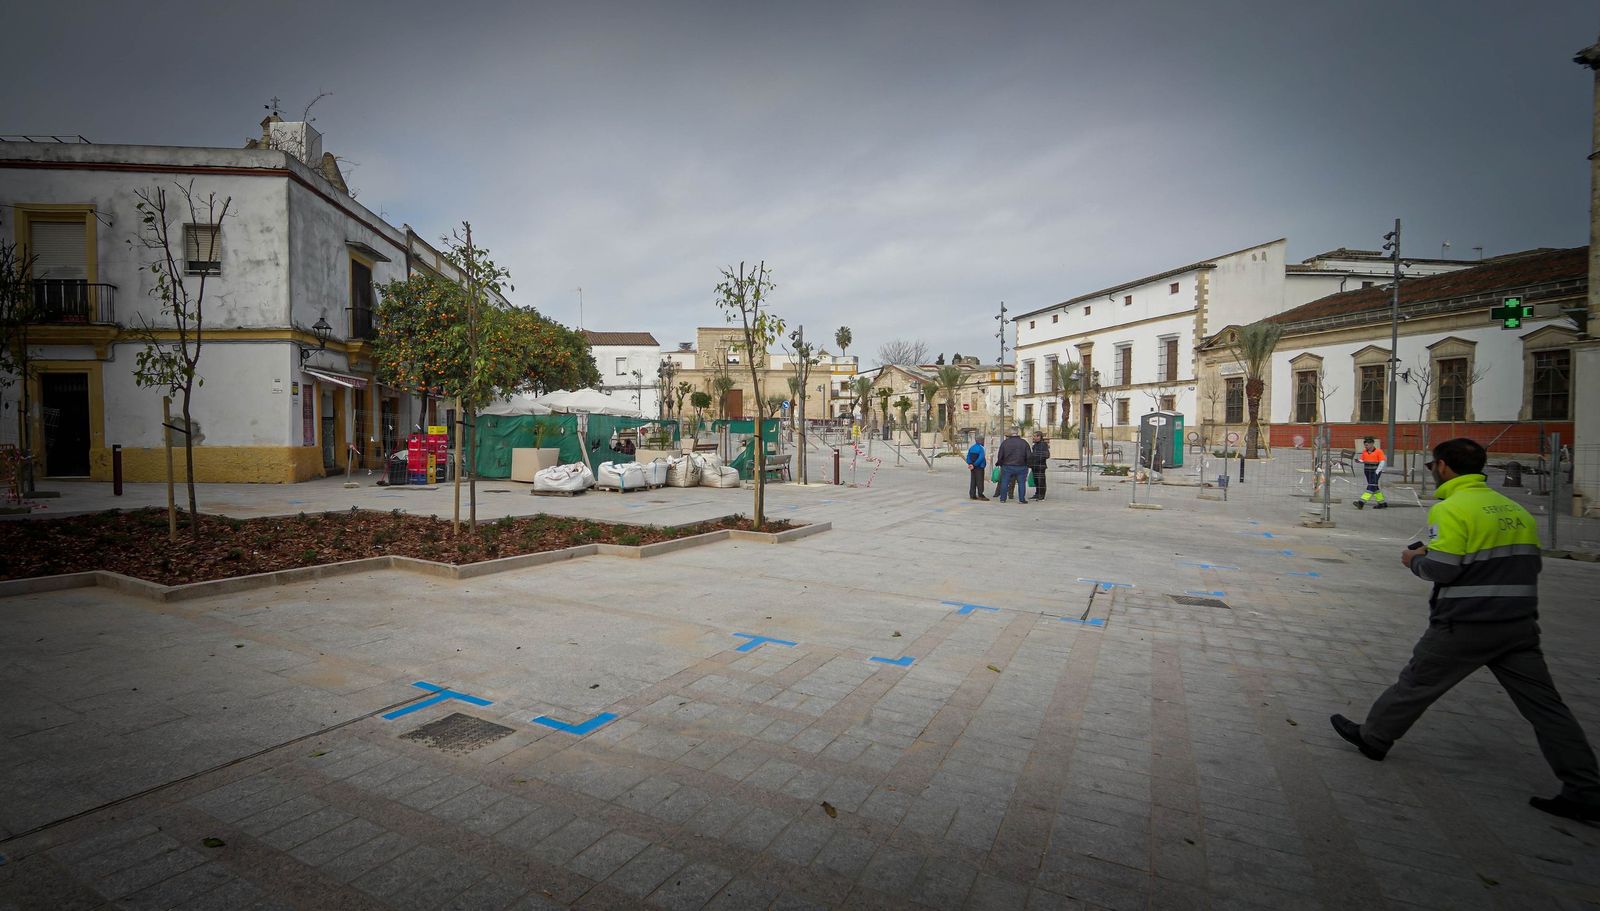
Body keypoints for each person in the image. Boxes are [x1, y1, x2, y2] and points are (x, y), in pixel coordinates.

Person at [1330, 438, 1599, 822]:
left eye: (1431, 467)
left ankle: (1373, 738)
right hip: (1519, 624)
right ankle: (1585, 788)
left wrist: (1414, 560)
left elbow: (1443, 569)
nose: (1432, 472)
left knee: (1416, 682)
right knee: (1546, 708)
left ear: (1443, 466)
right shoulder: (1514, 509)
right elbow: (1526, 563)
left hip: (1466, 621)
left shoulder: (1452, 509)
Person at [995, 428, 1030, 504]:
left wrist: (999, 463)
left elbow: (1000, 455)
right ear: (1017, 433)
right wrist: (1028, 464)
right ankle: (1021, 499)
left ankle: (1003, 499)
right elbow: (1028, 455)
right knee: (1021, 483)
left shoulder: (1005, 443)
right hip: (1021, 466)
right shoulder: (1024, 443)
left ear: (1010, 434)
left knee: (1005, 482)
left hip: (1007, 466)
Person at [1354, 436, 1386, 509]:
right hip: (1367, 471)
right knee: (1374, 486)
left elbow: (1382, 462)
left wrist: (1377, 471)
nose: (1366, 447)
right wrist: (1359, 461)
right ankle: (1382, 503)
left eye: (1367, 445)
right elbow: (1363, 459)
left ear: (1372, 444)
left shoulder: (1379, 451)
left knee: (1371, 486)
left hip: (1375, 471)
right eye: (1365, 445)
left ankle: (1361, 502)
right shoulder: (1365, 451)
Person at [1028, 431, 1051, 501]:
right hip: (1034, 466)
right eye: (1033, 436)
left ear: (1039, 437)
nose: (1034, 438)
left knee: (1041, 481)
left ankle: (1041, 495)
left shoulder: (1043, 445)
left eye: (1035, 436)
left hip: (1040, 466)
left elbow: (1046, 455)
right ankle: (1037, 493)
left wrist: (1037, 460)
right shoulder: (1035, 445)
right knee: (1036, 481)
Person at [965, 434, 989, 500]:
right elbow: (981, 458)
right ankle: (980, 495)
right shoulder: (981, 448)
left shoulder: (971, 448)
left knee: (973, 481)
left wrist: (970, 463)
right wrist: (975, 464)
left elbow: (968, 456)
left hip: (972, 467)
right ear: (980, 440)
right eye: (983, 440)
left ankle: (972, 495)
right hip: (979, 467)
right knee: (980, 481)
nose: (983, 441)